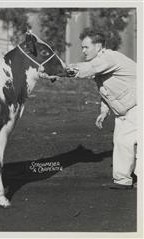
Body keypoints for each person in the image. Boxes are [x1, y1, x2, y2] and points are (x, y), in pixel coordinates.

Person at [67, 28, 137, 189]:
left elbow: (87, 69)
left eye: (86, 47)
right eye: (82, 47)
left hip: (137, 106)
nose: (83, 51)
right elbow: (107, 90)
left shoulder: (109, 57)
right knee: (125, 143)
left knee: (124, 141)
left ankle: (123, 181)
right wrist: (104, 111)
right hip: (125, 110)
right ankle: (125, 180)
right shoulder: (101, 63)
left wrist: (59, 69)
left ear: (98, 46)